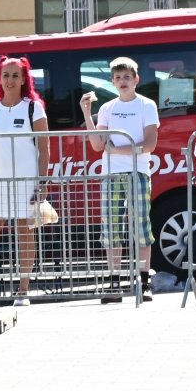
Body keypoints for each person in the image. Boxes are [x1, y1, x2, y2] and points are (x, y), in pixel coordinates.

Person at [80, 56, 158, 299]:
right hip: (111, 173)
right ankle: (114, 283)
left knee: (141, 227)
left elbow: (150, 144)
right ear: (112, 82)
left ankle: (143, 282)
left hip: (138, 172)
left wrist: (117, 150)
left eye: (126, 77)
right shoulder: (107, 108)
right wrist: (86, 112)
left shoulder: (147, 105)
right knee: (111, 229)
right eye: (117, 78)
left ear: (136, 79)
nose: (122, 81)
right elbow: (97, 145)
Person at [0, 56, 46, 305]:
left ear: (24, 78)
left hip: (26, 182)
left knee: (24, 235)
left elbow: (44, 148)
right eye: (6, 75)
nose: (10, 80)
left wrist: (42, 183)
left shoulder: (33, 107)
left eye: (15, 75)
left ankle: (23, 291)